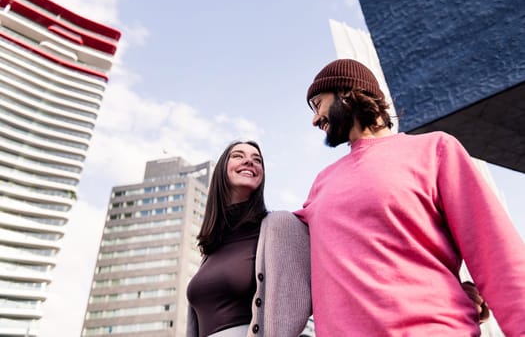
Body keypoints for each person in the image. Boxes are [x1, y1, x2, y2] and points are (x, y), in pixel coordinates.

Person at [294, 58, 525, 336]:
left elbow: (495, 251)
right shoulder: (321, 183)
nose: (315, 118)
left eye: (318, 103)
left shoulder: (434, 150)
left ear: (345, 91)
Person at [186, 141, 312, 337]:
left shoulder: (280, 225)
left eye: (257, 160)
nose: (249, 161)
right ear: (221, 170)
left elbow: (318, 285)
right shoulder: (212, 246)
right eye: (238, 156)